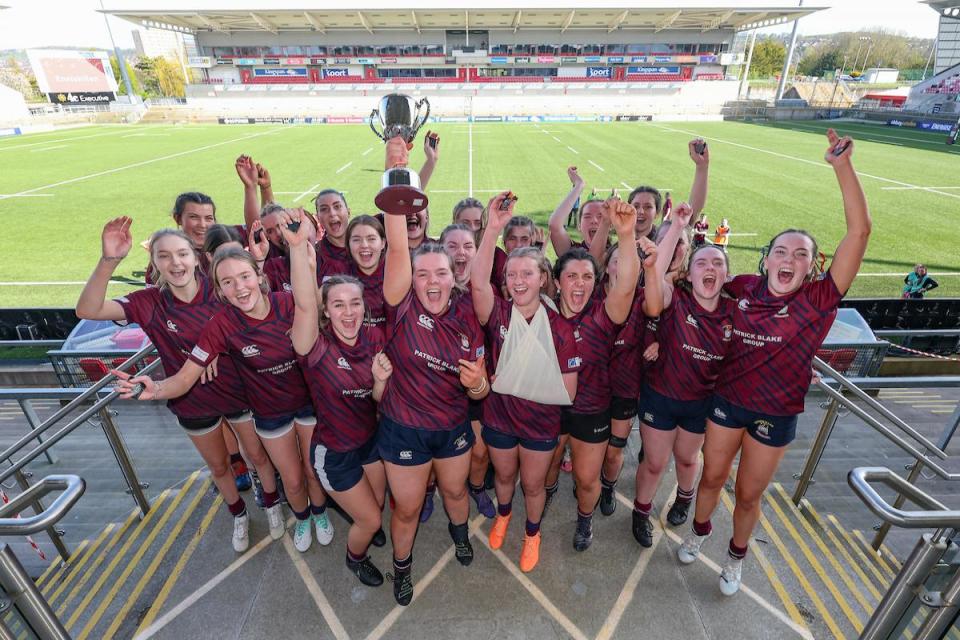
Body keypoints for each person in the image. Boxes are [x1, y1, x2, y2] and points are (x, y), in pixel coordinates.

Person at [677, 129, 871, 596]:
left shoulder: (820, 298)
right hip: (726, 403)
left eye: (800, 254)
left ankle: (735, 559)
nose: (788, 260)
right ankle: (699, 533)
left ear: (812, 265)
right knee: (712, 478)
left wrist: (842, 167)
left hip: (775, 415)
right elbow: (694, 279)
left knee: (747, 494)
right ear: (766, 261)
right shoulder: (741, 286)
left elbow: (859, 232)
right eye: (780, 252)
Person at [115, 244, 337, 554]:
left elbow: (319, 314)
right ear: (219, 290)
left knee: (313, 470)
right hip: (271, 413)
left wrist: (303, 254)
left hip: (308, 404)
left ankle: (320, 513)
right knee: (293, 478)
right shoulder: (221, 325)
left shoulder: (288, 305)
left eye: (244, 276)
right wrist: (157, 388)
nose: (239, 287)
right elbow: (185, 377)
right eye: (227, 282)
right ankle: (302, 518)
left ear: (258, 276)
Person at [80, 219, 279, 553]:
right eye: (165, 256)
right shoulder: (149, 302)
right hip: (190, 400)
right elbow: (87, 309)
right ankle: (239, 514)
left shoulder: (219, 289)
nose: (175, 263)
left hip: (237, 390)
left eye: (182, 253)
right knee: (218, 466)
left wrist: (217, 348)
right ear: (155, 263)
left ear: (195, 255)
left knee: (257, 454)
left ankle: (272, 506)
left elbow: (255, 315)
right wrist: (109, 261)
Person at [377, 137, 488, 606]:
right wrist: (396, 167)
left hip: (452, 428)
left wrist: (479, 384)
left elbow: (483, 385)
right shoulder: (400, 306)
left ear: (453, 275)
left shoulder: (467, 314)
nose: (432, 281)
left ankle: (460, 534)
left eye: (440, 273)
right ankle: (402, 568)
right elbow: (399, 246)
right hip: (404, 430)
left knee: (456, 491)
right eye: (423, 275)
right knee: (405, 509)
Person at [471, 192, 580, 572]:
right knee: (503, 475)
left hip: (539, 423)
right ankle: (503, 515)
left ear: (542, 278)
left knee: (533, 486)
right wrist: (493, 229)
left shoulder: (561, 328)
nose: (518, 280)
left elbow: (567, 392)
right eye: (511, 275)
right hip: (499, 418)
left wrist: (509, 381)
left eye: (527, 273)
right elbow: (477, 282)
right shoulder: (498, 312)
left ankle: (532, 533)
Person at [545, 199, 662, 552]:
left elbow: (626, 285)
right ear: (556, 281)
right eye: (570, 276)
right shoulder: (543, 316)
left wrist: (625, 234)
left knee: (586, 478)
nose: (578, 284)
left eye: (586, 276)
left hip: (592, 410)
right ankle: (543, 503)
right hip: (550, 410)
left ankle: (584, 519)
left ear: (595, 282)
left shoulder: (603, 317)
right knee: (545, 472)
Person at [284, 213, 389, 587]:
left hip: (370, 442)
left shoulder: (374, 341)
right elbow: (304, 306)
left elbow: (376, 399)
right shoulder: (315, 348)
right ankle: (354, 557)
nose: (349, 312)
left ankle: (366, 526)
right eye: (339, 305)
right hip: (336, 454)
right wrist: (300, 251)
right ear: (327, 310)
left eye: (355, 303)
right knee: (371, 520)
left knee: (376, 506)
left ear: (364, 306)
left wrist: (379, 383)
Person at [632, 204, 735, 548]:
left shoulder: (735, 315)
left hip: (699, 404)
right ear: (689, 274)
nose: (709, 268)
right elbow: (655, 276)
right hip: (660, 397)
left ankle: (684, 499)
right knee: (654, 463)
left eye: (717, 263)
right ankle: (641, 513)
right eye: (701, 263)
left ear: (726, 275)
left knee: (688, 459)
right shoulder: (675, 300)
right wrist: (676, 226)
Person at [548, 167, 605, 256]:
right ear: (579, 226)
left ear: (611, 225)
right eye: (587, 216)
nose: (594, 220)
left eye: (600, 216)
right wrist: (579, 185)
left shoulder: (618, 252)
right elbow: (555, 225)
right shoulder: (574, 252)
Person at [345, 215, 387, 328]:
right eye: (356, 240)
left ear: (383, 243)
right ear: (348, 244)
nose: (364, 245)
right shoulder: (341, 276)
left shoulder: (395, 272)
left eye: (371, 239)